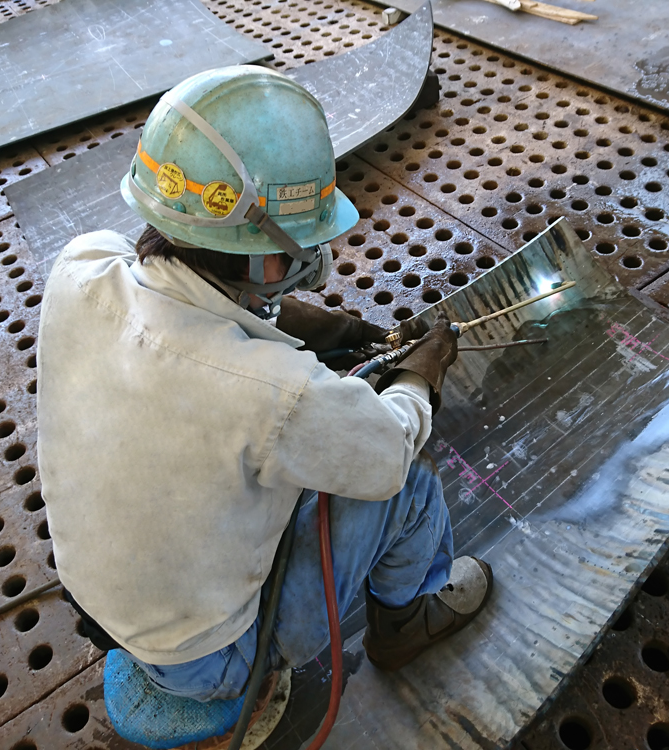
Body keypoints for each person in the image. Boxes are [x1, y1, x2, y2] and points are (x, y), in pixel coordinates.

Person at [36, 65, 492, 710]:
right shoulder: (275, 391)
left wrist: (322, 327)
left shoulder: (79, 267)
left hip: (104, 604)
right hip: (214, 661)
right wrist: (421, 371)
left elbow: (189, 310)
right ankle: (408, 622)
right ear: (263, 253)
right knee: (411, 488)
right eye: (302, 241)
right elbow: (385, 452)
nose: (311, 255)